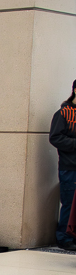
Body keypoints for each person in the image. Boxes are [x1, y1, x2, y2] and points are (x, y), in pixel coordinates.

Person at [48, 80, 76, 249]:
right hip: (70, 167)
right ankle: (64, 238)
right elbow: (55, 138)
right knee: (70, 203)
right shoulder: (63, 113)